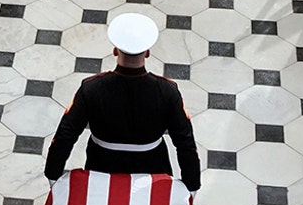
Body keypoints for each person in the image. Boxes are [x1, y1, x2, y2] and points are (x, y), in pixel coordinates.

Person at [44, 12, 201, 192]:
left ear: (115, 50)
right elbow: (185, 144)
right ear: (148, 52)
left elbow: (65, 136)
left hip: (101, 166)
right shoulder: (167, 91)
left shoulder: (91, 88)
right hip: (152, 168)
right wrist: (191, 186)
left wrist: (53, 175)